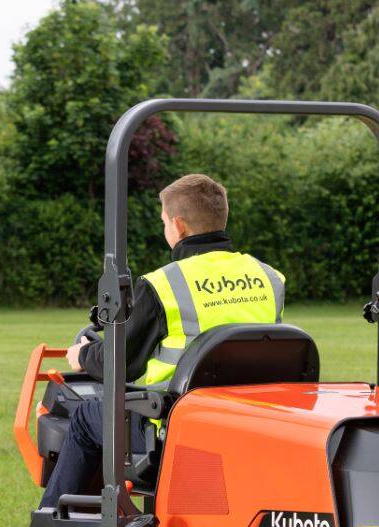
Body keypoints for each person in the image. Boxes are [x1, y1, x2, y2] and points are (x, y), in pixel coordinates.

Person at [39, 173, 286, 509]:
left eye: (163, 223)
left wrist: (84, 355)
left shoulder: (163, 285)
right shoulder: (268, 277)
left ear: (178, 225)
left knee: (86, 417)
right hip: (248, 426)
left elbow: (121, 363)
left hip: (175, 432)